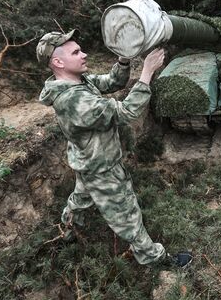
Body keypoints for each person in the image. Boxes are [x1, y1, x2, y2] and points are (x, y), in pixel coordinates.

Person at [36, 30, 192, 267]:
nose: (84, 54)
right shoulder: (72, 100)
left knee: (79, 201)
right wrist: (147, 72)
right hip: (102, 169)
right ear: (58, 62)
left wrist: (124, 59)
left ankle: (66, 232)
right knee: (128, 216)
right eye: (76, 52)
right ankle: (155, 259)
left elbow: (112, 82)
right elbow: (127, 112)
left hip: (87, 160)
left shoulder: (77, 80)